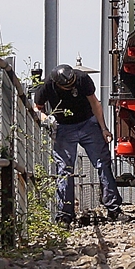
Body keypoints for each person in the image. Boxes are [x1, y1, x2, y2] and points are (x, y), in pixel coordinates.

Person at [34, 64, 124, 225]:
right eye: (67, 86)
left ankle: (114, 209)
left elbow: (95, 103)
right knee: (64, 170)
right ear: (58, 84)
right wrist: (47, 120)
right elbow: (37, 108)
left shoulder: (82, 78)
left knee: (103, 163)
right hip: (63, 127)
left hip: (88, 124)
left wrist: (103, 128)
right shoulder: (47, 85)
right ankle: (64, 214)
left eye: (73, 84)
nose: (72, 87)